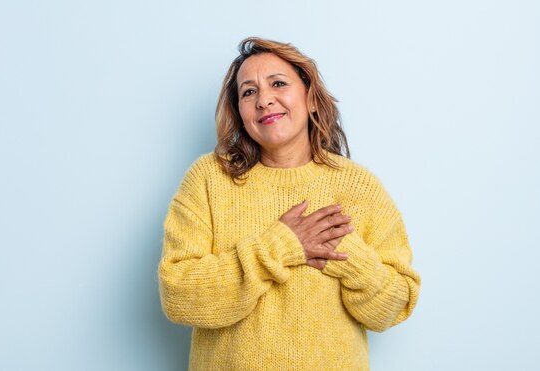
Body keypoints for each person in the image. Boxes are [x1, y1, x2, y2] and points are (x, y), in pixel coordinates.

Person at [158, 37, 421, 370]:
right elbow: (178, 295)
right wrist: (280, 247)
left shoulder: (360, 187)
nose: (264, 100)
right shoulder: (209, 179)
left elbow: (393, 308)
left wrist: (348, 258)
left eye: (278, 84)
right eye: (249, 92)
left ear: (311, 98)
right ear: (239, 112)